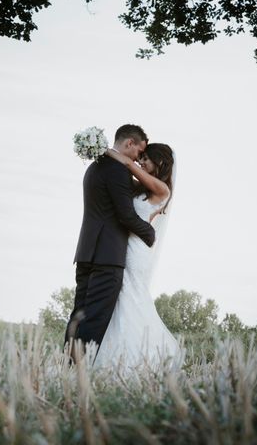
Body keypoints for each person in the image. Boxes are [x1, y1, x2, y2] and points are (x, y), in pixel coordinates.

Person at [65, 124, 155, 360]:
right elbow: (125, 215)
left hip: (86, 252)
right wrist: (149, 232)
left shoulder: (94, 168)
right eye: (138, 152)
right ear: (129, 144)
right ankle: (80, 372)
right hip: (107, 257)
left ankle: (67, 368)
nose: (138, 159)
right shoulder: (118, 170)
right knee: (94, 319)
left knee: (79, 315)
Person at [94, 142, 181, 368]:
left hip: (138, 251)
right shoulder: (142, 188)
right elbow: (122, 177)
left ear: (159, 163)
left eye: (145, 159)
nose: (140, 162)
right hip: (126, 245)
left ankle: (135, 358)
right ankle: (115, 354)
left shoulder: (163, 189)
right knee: (121, 298)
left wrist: (100, 147)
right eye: (140, 158)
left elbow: (126, 163)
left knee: (129, 296)